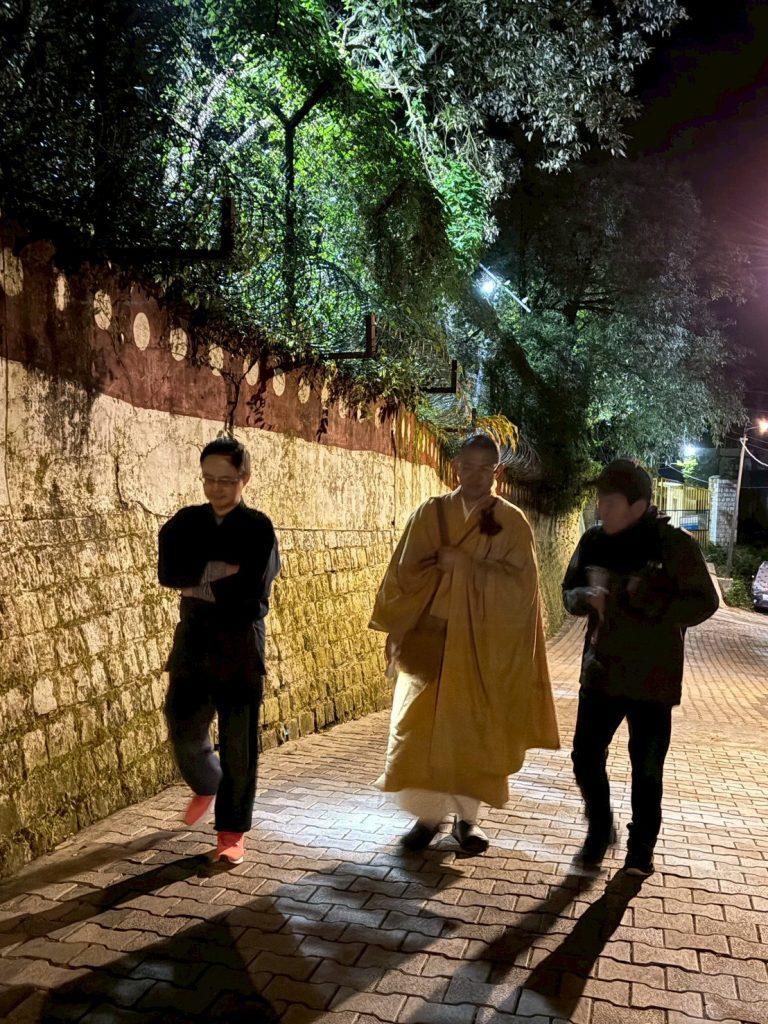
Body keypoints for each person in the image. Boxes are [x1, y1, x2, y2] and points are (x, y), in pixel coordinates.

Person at [369, 434, 560, 855]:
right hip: (431, 640)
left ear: (498, 472)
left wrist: (469, 567)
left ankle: (467, 821)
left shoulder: (512, 522)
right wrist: (397, 628)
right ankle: (427, 819)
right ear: (455, 466)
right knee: (420, 730)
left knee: (475, 731)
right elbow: (403, 574)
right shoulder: (430, 513)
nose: (474, 475)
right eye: (467, 466)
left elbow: (522, 588)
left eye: (484, 469)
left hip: (481, 645)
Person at [562, 458, 719, 877]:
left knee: (646, 769)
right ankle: (599, 829)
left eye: (610, 502)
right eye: (600, 501)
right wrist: (585, 597)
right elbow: (568, 592)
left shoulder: (673, 546)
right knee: (585, 757)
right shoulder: (594, 541)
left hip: (653, 678)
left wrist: (652, 599)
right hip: (601, 670)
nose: (601, 509)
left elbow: (705, 602)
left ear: (638, 505)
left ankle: (640, 848)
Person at [158, 436, 279, 865]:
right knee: (181, 721)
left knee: (238, 743)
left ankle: (231, 832)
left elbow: (252, 590)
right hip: (193, 640)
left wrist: (198, 580)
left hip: (240, 644)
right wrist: (219, 573)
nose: (215, 488)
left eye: (225, 480)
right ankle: (208, 781)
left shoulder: (258, 528)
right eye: (208, 479)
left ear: (244, 478)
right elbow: (169, 572)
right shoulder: (186, 522)